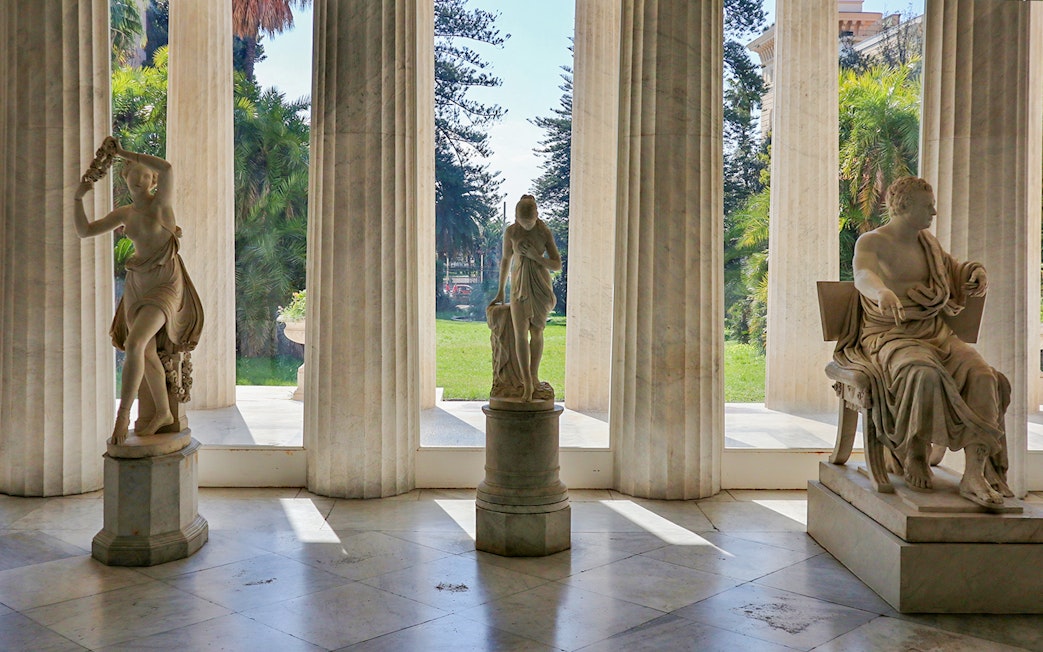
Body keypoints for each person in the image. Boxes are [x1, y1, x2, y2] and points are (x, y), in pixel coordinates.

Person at [841, 176, 1010, 508]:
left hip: (935, 334)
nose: (933, 211)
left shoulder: (928, 244)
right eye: (927, 205)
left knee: (984, 377)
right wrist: (882, 291)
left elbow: (952, 271)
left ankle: (974, 472)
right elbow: (862, 274)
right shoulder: (872, 242)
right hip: (889, 335)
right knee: (922, 374)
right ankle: (913, 449)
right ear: (904, 206)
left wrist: (973, 273)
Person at [74, 137, 202, 445]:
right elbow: (86, 231)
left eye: (147, 174)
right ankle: (163, 412)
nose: (140, 176)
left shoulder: (162, 205)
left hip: (164, 282)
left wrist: (122, 153)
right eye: (134, 171)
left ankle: (122, 419)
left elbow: (169, 167)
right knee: (143, 349)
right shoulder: (124, 213)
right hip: (137, 283)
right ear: (125, 177)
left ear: (153, 180)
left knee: (136, 342)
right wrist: (77, 200)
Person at [489, 195, 562, 401]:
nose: (527, 225)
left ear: (537, 216)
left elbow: (556, 264)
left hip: (539, 286)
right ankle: (526, 383)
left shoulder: (543, 231)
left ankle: (534, 377)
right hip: (519, 287)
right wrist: (501, 290)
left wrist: (536, 257)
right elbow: (505, 260)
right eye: (523, 221)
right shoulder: (511, 232)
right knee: (520, 333)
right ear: (516, 218)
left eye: (530, 221)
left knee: (537, 332)